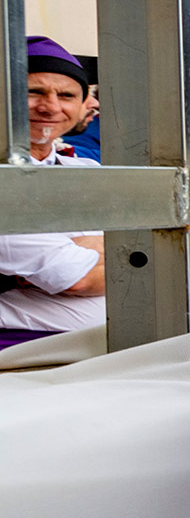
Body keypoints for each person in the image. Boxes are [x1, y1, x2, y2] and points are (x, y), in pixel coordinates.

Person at [0, 37, 106, 349]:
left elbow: (164, 254)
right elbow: (77, 280)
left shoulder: (85, 168)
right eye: (33, 92)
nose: (50, 107)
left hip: (105, 351)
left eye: (67, 95)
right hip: (22, 357)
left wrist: (95, 249)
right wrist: (130, 251)